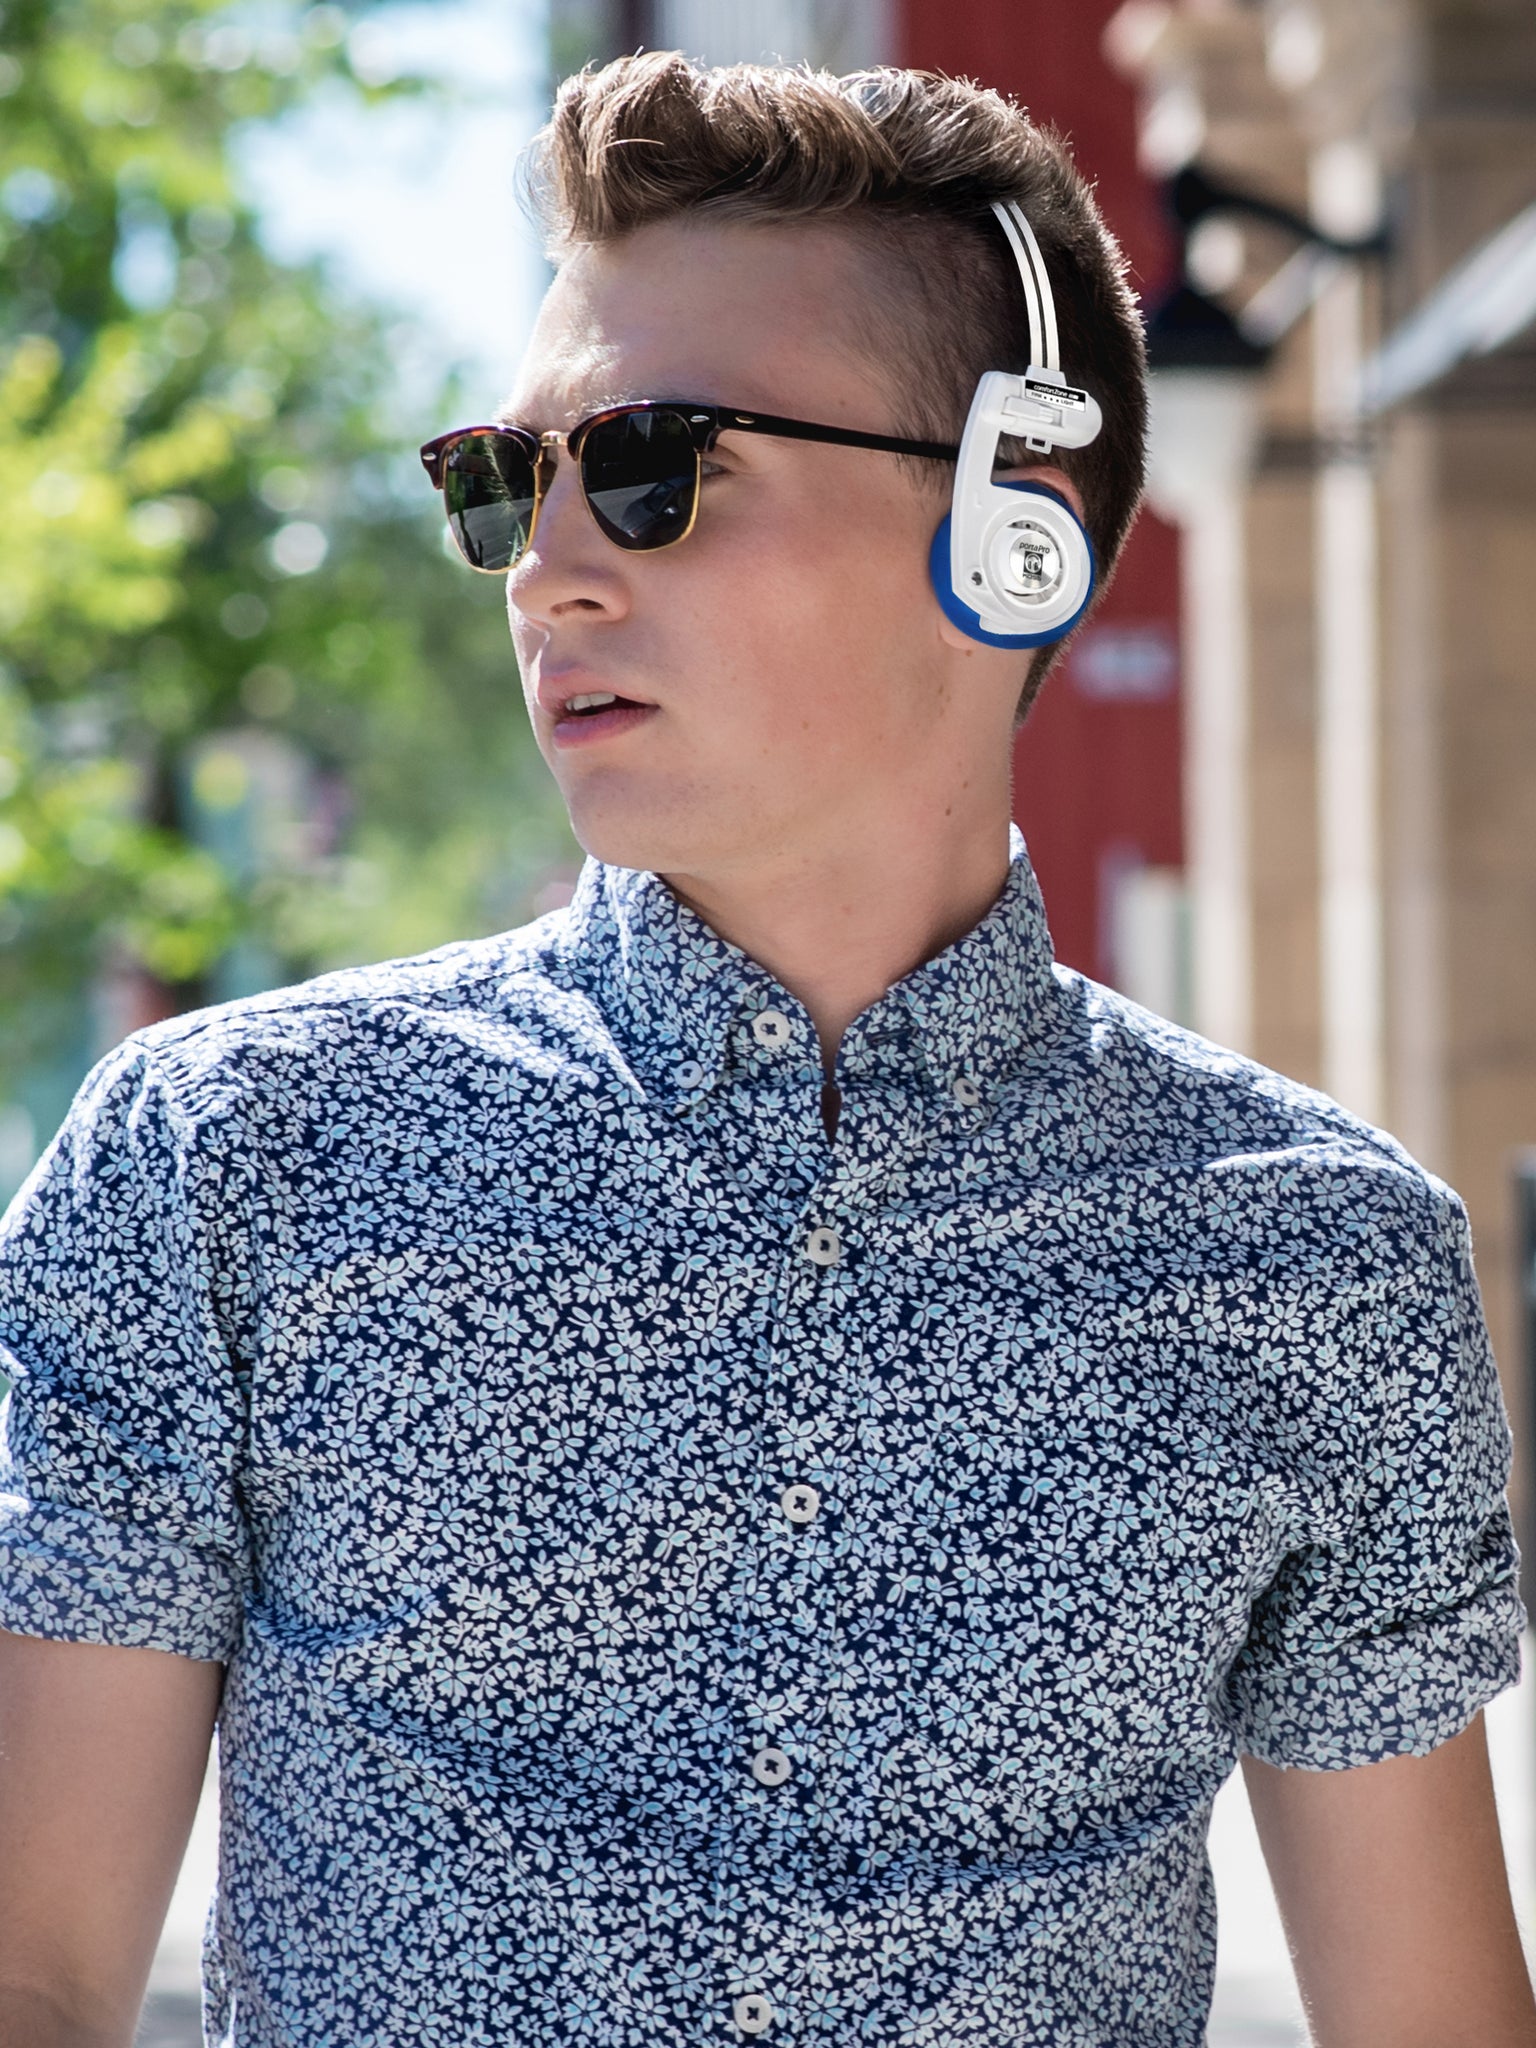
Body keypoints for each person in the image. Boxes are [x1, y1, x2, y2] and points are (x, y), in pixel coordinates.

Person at [0, 50, 1532, 2048]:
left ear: (1015, 533)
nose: (549, 561)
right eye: (500, 478)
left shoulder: (1328, 1264)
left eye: (657, 465)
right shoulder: (223, 1160)